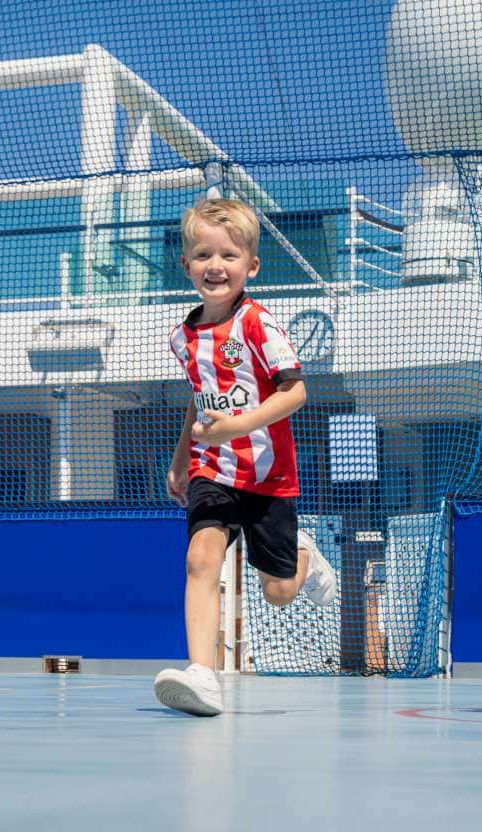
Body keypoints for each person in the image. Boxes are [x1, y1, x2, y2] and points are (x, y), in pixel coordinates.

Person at [153, 197, 338, 717]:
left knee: (278, 592)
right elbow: (199, 395)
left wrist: (237, 426)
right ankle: (202, 675)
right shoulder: (183, 337)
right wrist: (181, 455)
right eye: (203, 255)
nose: (216, 266)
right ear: (186, 263)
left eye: (229, 256)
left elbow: (295, 392)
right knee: (199, 560)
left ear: (250, 266)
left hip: (267, 476)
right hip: (211, 471)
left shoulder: (259, 324)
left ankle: (300, 554)